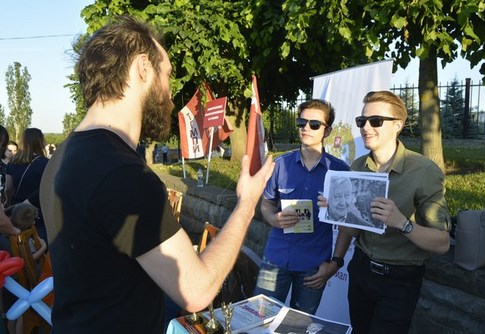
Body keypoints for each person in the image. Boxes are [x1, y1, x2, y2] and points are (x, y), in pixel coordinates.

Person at [39, 16, 274, 334]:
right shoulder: (121, 171)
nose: (169, 89)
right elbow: (197, 291)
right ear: (142, 68)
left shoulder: (66, 154)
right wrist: (247, 203)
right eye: (167, 74)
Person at [321, 91, 450, 333]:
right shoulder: (357, 167)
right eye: (362, 121)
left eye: (376, 121)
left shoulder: (423, 171)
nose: (366, 127)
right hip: (360, 271)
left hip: (399, 280)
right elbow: (354, 231)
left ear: (398, 125)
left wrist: (402, 223)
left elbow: (442, 243)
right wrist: (335, 212)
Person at [253, 99, 349, 315]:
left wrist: (335, 263)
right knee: (260, 320)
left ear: (327, 130)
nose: (306, 128)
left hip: (314, 266)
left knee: (299, 325)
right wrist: (273, 219)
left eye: (314, 124)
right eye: (301, 122)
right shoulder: (280, 165)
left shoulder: (340, 172)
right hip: (276, 258)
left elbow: (347, 225)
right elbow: (266, 203)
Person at [5, 128, 49, 242]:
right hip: (36, 213)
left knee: (17, 245)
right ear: (40, 142)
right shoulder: (45, 163)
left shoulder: (12, 162)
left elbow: (8, 189)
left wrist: (8, 203)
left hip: (16, 211)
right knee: (38, 244)